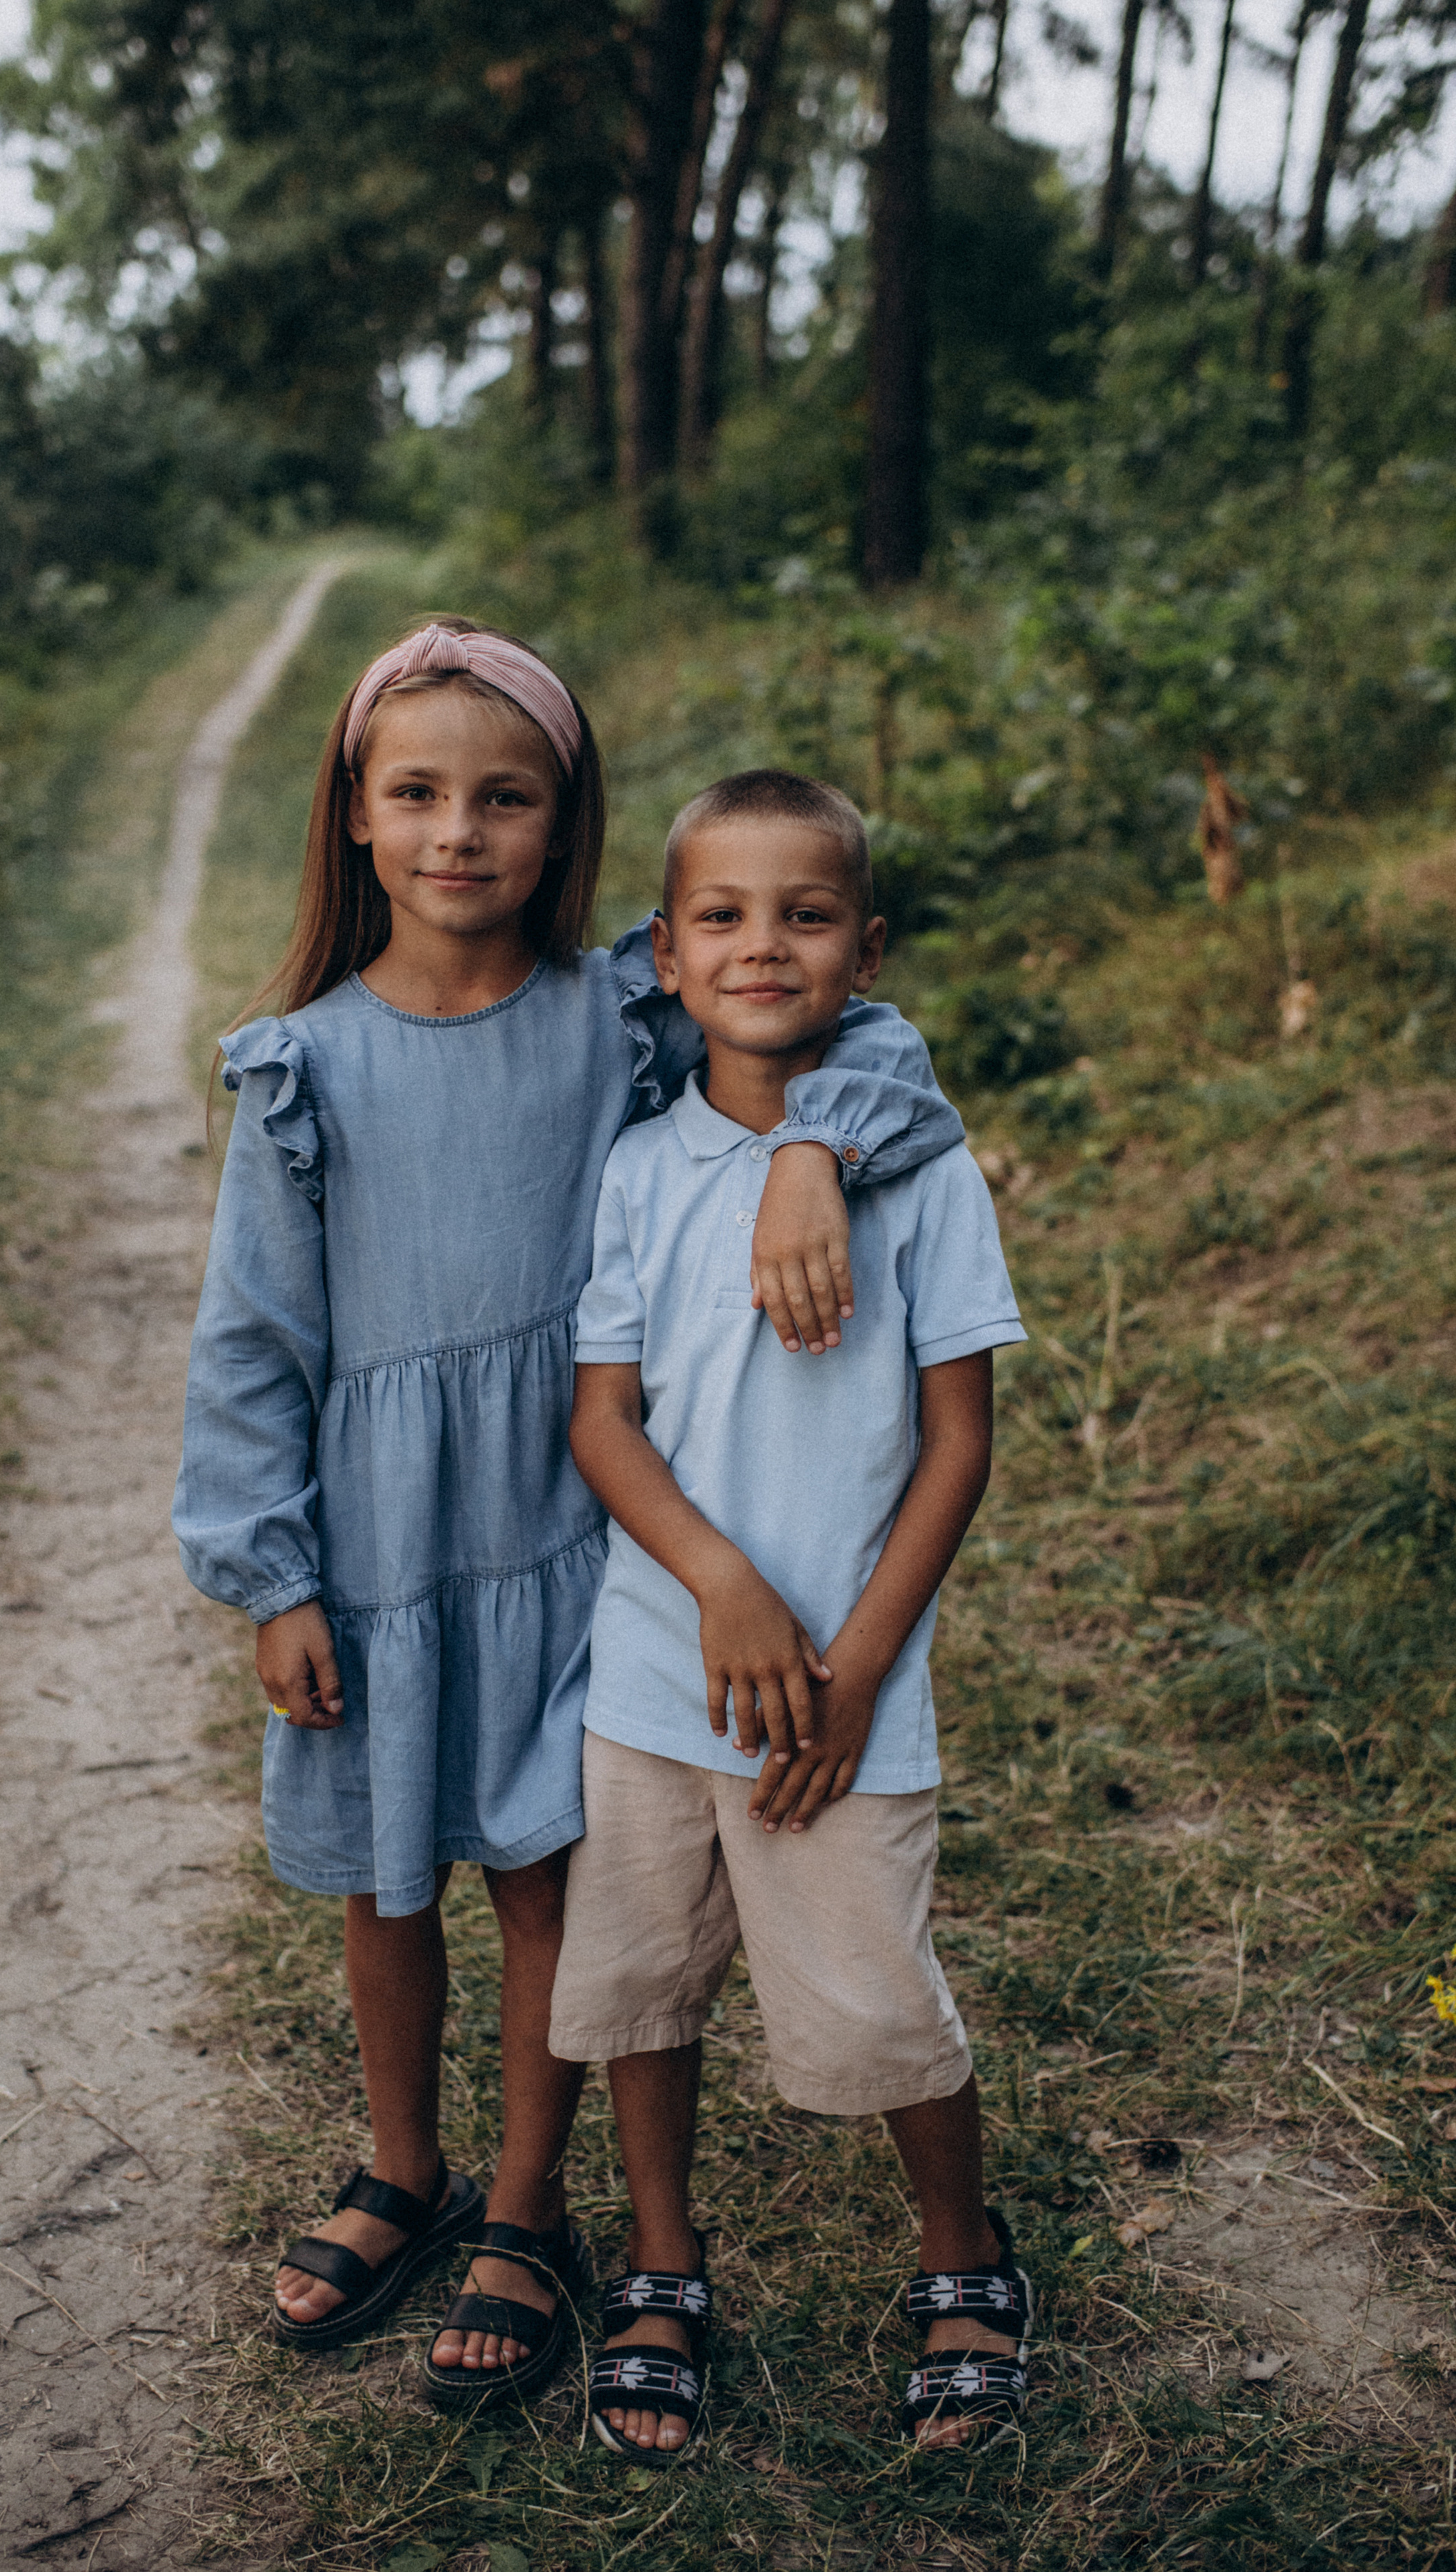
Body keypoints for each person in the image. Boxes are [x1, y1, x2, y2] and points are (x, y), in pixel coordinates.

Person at [172, 625, 963, 2413]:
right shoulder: (301, 1063)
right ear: (356, 817)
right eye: (418, 794)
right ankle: (406, 2167)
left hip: (573, 1532)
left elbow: (873, 1039)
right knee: (387, 1878)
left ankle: (529, 2209)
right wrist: (273, 1575)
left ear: (564, 820)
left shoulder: (618, 1016)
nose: (460, 832)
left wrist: (812, 1149)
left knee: (547, 1876)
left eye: (505, 797)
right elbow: (250, 1340)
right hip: (381, 1546)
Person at [550, 768, 1033, 2461]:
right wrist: (721, 1581)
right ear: (666, 957)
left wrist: (859, 1663)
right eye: (723, 915)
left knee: (877, 1994)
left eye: (806, 914)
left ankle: (962, 2259)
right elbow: (602, 1419)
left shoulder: (921, 1174)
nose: (763, 945)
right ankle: (661, 2267)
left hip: (844, 1686)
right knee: (642, 1981)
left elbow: (957, 1441)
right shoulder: (634, 1169)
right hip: (651, 1667)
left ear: (866, 951)